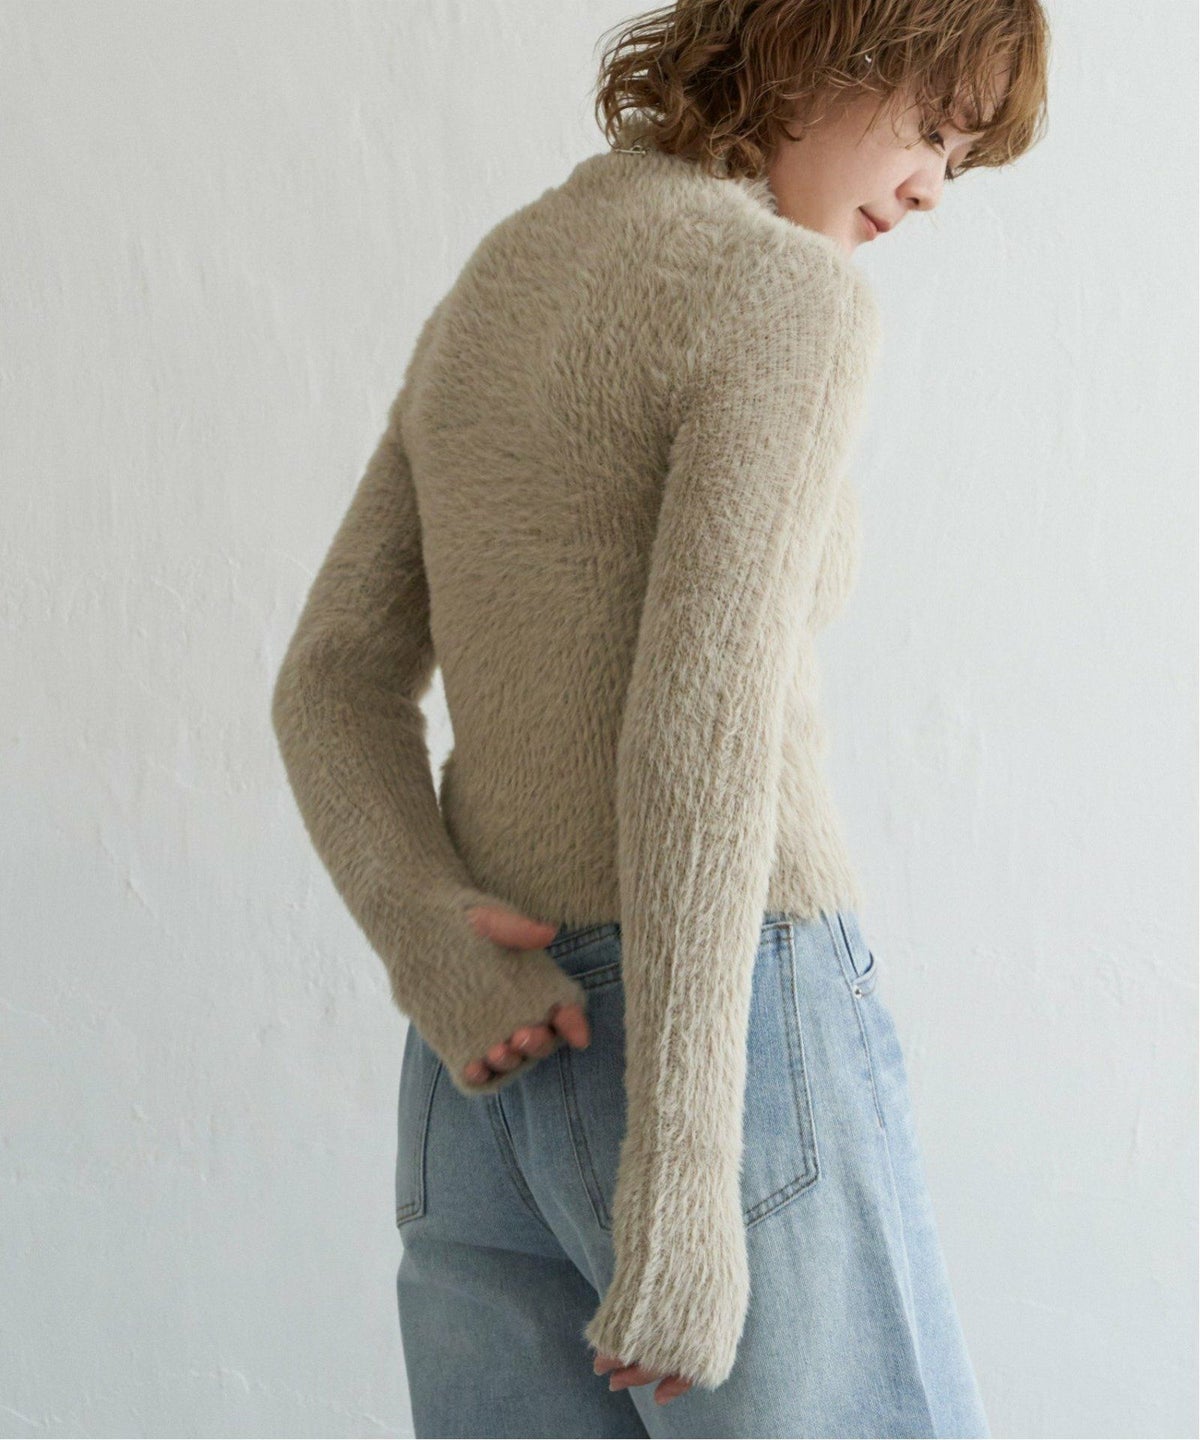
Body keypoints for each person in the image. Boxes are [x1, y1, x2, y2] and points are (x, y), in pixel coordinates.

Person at [270, 1, 1050, 1433]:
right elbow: (701, 724)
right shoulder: (785, 298)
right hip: (719, 1038)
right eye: (935, 127)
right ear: (822, 47)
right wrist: (690, 1182)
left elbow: (330, 677)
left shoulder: (503, 276)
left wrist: (430, 934)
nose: (936, 185)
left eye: (960, 157)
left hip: (482, 1061)